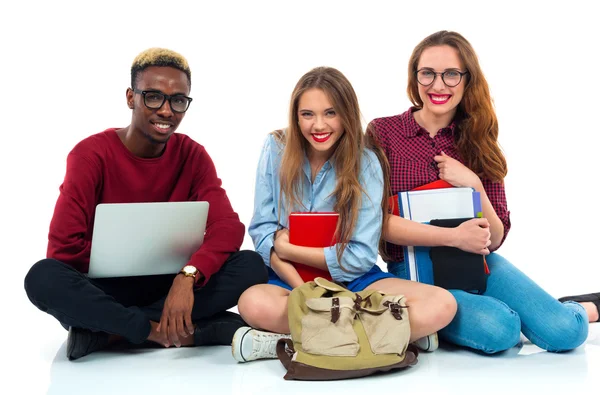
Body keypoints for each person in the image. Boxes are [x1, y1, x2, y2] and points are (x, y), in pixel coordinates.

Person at [24, 48, 267, 361]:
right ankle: (159, 331)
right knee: (42, 277)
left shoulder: (192, 155)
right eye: (154, 97)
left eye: (178, 100)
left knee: (251, 265)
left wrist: (187, 275)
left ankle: (108, 332)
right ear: (130, 98)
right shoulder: (89, 156)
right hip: (105, 288)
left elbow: (227, 227)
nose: (166, 110)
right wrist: (113, 260)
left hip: (169, 284)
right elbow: (62, 250)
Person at [367, 30, 590, 354]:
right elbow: (372, 221)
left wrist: (474, 184)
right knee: (501, 330)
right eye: (427, 73)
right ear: (414, 77)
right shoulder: (383, 132)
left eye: (451, 74)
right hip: (416, 272)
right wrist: (452, 236)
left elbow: (495, 238)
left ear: (467, 79)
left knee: (566, 332)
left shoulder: (480, 139)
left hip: (478, 263)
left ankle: (582, 308)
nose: (438, 85)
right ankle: (502, 311)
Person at [230, 66, 457, 363]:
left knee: (442, 304)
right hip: (292, 278)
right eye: (307, 114)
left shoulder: (367, 162)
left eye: (330, 113)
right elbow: (262, 231)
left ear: (346, 114)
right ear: (296, 116)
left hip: (356, 283)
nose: (318, 125)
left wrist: (289, 249)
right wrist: (305, 291)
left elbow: (360, 256)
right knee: (251, 303)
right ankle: (391, 333)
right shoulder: (276, 148)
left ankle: (290, 341)